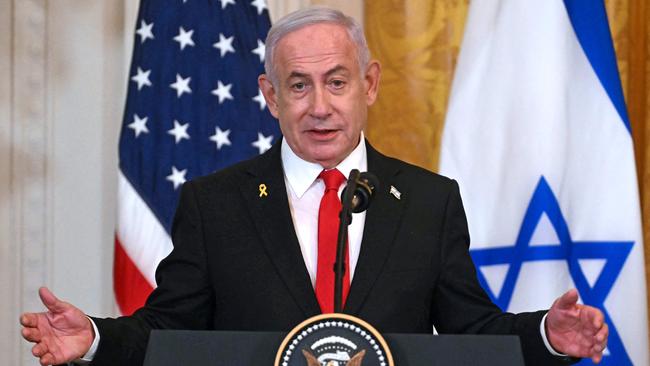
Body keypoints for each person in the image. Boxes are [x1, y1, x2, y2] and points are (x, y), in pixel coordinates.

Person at [20, 7, 608, 366]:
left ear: (369, 85)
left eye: (336, 81)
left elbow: (472, 333)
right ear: (270, 96)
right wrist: (94, 339)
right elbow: (169, 331)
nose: (320, 107)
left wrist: (546, 336)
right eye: (298, 86)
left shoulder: (430, 201)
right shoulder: (215, 204)